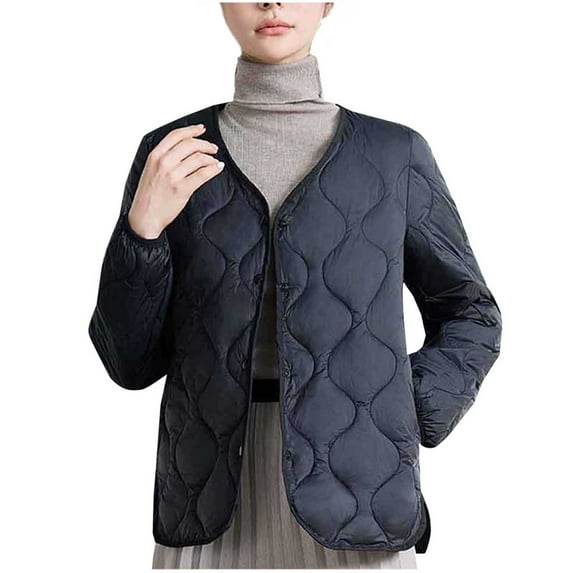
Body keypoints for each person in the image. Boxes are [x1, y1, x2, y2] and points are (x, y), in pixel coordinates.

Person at [89, 2, 501, 569]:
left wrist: (409, 406)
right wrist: (143, 232)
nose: (272, 2)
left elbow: (471, 312)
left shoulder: (393, 154)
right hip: (209, 492)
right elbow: (129, 363)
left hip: (361, 495)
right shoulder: (170, 156)